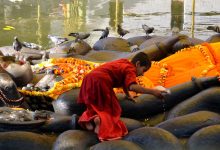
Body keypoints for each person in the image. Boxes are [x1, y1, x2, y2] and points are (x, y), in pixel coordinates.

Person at [77, 52, 168, 141]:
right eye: (143, 70)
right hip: (101, 82)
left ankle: (90, 119)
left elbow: (124, 81)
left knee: (94, 104)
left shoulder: (124, 62)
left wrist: (127, 95)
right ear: (138, 64)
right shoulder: (130, 69)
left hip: (89, 78)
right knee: (111, 109)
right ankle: (99, 123)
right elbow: (132, 86)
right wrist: (153, 92)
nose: (142, 74)